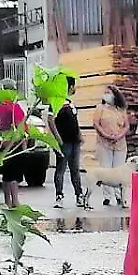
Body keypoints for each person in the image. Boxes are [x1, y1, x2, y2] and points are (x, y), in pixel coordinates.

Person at [48, 75, 87, 209]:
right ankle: (59, 195)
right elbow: (51, 120)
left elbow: (75, 122)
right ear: (69, 87)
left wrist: (80, 135)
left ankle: (79, 195)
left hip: (74, 141)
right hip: (64, 142)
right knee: (61, 169)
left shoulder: (70, 103)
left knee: (75, 169)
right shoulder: (56, 102)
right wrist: (58, 139)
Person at [93, 85, 129, 206]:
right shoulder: (100, 108)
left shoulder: (121, 109)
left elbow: (126, 126)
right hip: (104, 143)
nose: (106, 95)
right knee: (106, 169)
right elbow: (96, 123)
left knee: (119, 170)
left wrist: (119, 136)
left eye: (109, 92)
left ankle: (120, 196)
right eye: (105, 93)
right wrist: (105, 135)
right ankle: (107, 196)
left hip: (120, 143)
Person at [0, 78, 27, 208]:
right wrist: (24, 142)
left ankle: (7, 200)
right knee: (14, 173)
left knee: (6, 174)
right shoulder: (14, 107)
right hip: (14, 142)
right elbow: (20, 126)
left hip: (4, 141)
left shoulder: (0, 107)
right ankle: (15, 201)